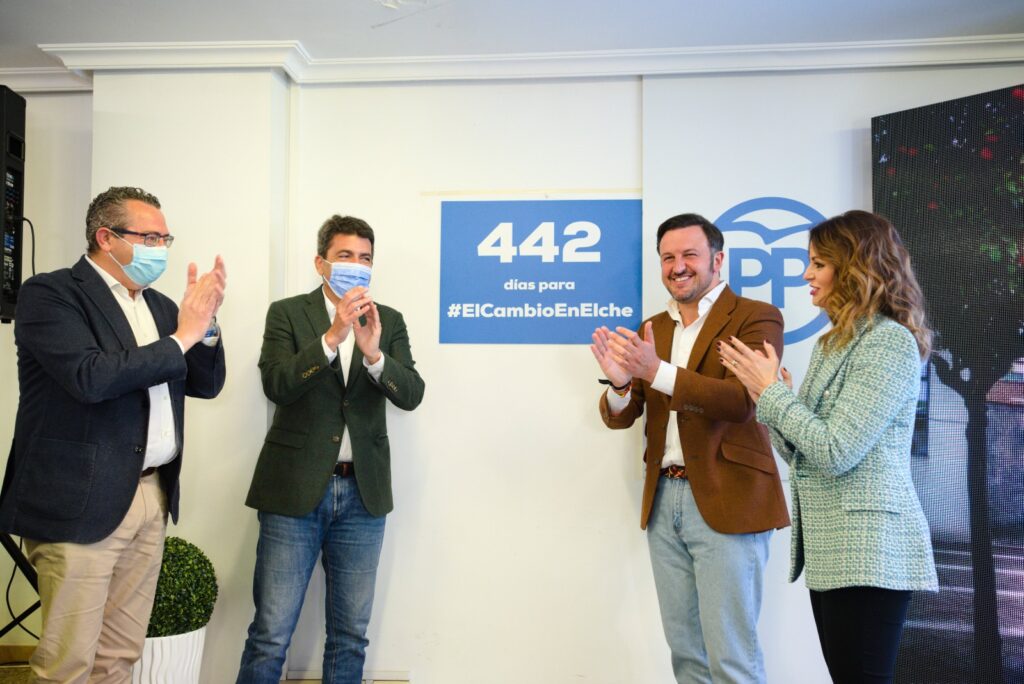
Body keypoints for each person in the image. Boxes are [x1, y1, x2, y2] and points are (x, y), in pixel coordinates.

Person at [0, 186, 226, 682]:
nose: (161, 249)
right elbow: (92, 377)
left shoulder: (162, 307)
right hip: (80, 501)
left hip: (150, 493)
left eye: (165, 239)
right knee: (68, 664)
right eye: (150, 238)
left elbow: (206, 384)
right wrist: (183, 336)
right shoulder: (51, 294)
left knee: (119, 655)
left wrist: (206, 327)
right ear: (106, 237)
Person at [719, 210, 938, 684]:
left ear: (854, 267)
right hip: (832, 551)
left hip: (870, 551)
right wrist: (768, 397)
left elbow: (837, 450)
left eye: (818, 264)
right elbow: (804, 453)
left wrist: (772, 395)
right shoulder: (831, 344)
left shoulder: (888, 343)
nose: (806, 275)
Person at [592, 213, 790, 684]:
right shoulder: (653, 327)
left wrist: (655, 371)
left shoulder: (756, 317)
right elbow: (626, 413)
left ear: (717, 260)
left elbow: (744, 401)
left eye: (689, 255)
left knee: (732, 658)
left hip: (729, 500)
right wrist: (621, 385)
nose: (677, 266)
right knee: (686, 655)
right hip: (664, 501)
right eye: (667, 257)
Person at [237, 215, 425, 684]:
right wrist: (330, 339)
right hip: (293, 490)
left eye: (365, 258)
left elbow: (411, 394)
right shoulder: (287, 313)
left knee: (350, 634)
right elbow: (276, 385)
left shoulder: (388, 320)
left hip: (363, 494)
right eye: (345, 256)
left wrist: (374, 355)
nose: (356, 266)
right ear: (321, 263)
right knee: (271, 633)